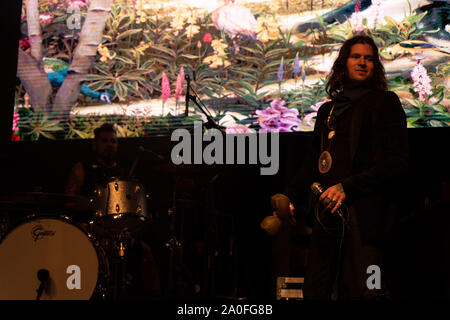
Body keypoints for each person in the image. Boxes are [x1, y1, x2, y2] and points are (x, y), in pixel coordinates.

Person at [280, 35, 409, 300]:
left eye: (369, 58)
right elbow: (313, 164)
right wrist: (290, 195)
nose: (362, 63)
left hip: (366, 217)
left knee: (371, 290)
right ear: (343, 63)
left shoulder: (385, 103)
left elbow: (397, 162)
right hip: (326, 215)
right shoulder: (328, 111)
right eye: (356, 57)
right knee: (315, 290)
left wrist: (347, 186)